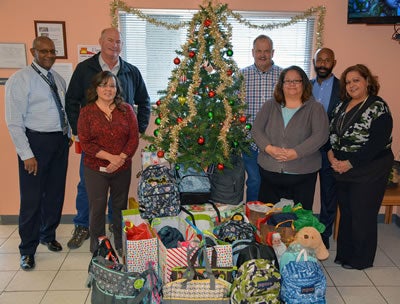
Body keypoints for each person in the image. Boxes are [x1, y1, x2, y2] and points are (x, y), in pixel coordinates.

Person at [65, 27, 150, 249]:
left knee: (119, 200)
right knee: (90, 193)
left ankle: (116, 231)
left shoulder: (131, 71)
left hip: (122, 153)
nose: (115, 45)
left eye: (119, 41)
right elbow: (72, 100)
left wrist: (137, 130)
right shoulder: (85, 69)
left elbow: (144, 101)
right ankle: (83, 227)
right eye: (110, 40)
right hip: (94, 153)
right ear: (100, 41)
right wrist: (79, 131)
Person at [5, 36, 71, 270]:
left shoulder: (58, 78)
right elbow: (13, 121)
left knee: (54, 194)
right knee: (32, 199)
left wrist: (68, 135)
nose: (49, 55)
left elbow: (63, 110)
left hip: (59, 143)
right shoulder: (20, 80)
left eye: (52, 51)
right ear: (33, 51)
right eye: (44, 51)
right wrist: (26, 154)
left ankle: (47, 235)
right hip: (35, 144)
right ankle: (27, 249)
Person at [328, 64, 393, 270]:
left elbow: (377, 143)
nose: (351, 85)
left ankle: (361, 259)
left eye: (356, 80)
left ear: (367, 82)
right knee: (346, 212)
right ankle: (345, 254)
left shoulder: (377, 107)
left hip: (369, 169)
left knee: (362, 214)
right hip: (342, 169)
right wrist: (332, 157)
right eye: (348, 82)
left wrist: (349, 163)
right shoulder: (341, 106)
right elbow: (331, 135)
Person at [78, 71, 139, 254]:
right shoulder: (86, 112)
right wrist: (111, 158)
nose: (108, 89)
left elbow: (133, 138)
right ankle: (98, 245)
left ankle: (120, 242)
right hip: (95, 168)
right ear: (96, 88)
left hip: (122, 167)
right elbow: (85, 142)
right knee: (97, 207)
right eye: (103, 85)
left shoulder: (126, 110)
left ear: (117, 89)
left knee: (119, 206)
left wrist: (120, 158)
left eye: (112, 85)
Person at [252, 65, 329, 210]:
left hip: (303, 174)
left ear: (304, 84)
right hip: (270, 171)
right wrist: (269, 149)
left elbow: (321, 135)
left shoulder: (315, 108)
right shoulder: (269, 105)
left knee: (299, 220)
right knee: (268, 217)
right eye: (287, 81)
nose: (291, 84)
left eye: (296, 81)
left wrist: (296, 152)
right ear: (281, 85)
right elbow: (256, 130)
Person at [241, 35, 283, 202]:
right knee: (254, 181)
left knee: (273, 182)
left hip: (276, 141)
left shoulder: (284, 76)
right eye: (259, 51)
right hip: (249, 141)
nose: (263, 55)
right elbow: (233, 107)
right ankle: (252, 220)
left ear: (272, 52)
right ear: (253, 52)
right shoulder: (241, 76)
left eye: (266, 51)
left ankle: (271, 222)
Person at [311, 48, 341, 249]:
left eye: (327, 60)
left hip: (330, 150)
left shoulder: (343, 88)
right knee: (304, 191)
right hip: (308, 149)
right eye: (319, 60)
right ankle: (303, 231)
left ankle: (324, 234)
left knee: (329, 194)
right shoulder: (307, 86)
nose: (322, 63)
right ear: (314, 62)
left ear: (334, 63)